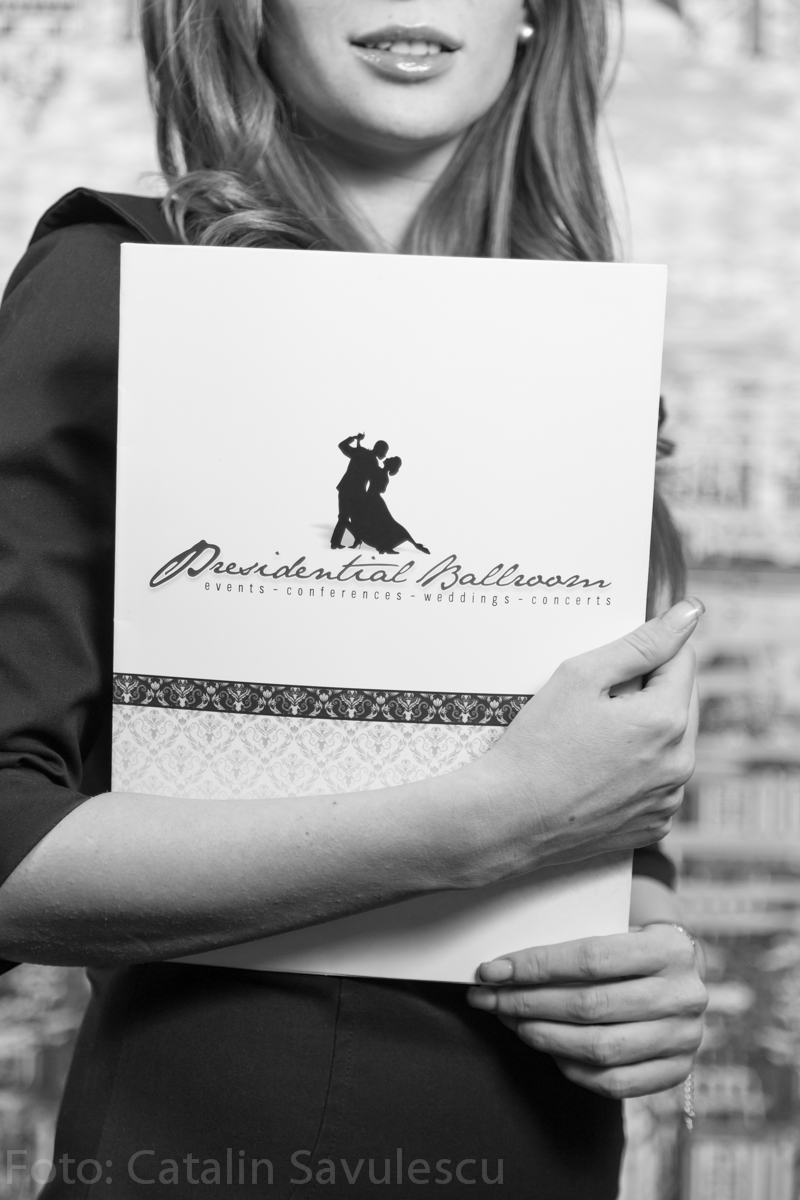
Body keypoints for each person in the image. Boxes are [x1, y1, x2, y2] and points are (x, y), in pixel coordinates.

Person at [0, 2, 707, 1197]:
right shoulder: (116, 281)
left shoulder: (579, 346)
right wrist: (482, 824)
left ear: (532, 15)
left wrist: (643, 966)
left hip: (536, 1148)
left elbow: (600, 813)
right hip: (220, 1148)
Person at [350, 456, 431, 554]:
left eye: (391, 458)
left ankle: (387, 546)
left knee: (386, 523)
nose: (388, 458)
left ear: (390, 464)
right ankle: (394, 546)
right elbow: (382, 489)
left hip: (372, 500)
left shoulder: (378, 471)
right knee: (386, 523)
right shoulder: (383, 475)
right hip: (375, 500)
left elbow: (373, 482)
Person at [331, 433, 389, 549]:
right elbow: (374, 478)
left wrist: (354, 439)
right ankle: (346, 540)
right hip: (355, 492)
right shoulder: (371, 460)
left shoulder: (361, 452)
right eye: (384, 451)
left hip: (348, 489)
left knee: (347, 517)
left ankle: (347, 540)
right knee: (347, 517)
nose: (384, 455)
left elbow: (342, 445)